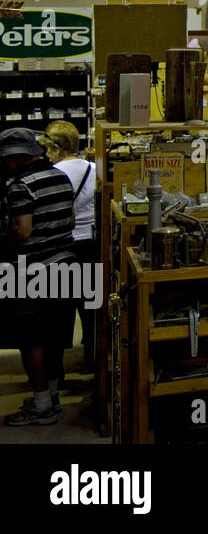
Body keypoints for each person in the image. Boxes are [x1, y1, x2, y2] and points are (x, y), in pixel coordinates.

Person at [0, 128, 76, 426]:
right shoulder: (60, 177)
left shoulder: (21, 186)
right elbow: (69, 219)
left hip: (32, 271)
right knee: (54, 334)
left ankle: (42, 404)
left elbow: (22, 231)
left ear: (16, 159)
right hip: (66, 264)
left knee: (31, 339)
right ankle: (53, 395)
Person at [41, 121, 95, 376]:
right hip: (91, 246)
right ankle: (93, 365)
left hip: (63, 248)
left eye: (48, 149)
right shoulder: (95, 169)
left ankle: (54, 373)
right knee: (91, 312)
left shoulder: (52, 175)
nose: (46, 154)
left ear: (56, 148)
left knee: (57, 314)